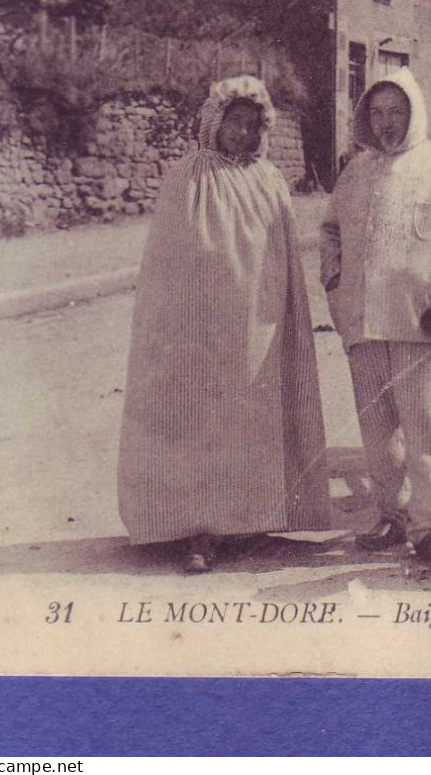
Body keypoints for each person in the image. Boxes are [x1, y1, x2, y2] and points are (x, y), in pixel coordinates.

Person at [117, 76, 330, 574]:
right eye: (237, 122)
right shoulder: (189, 176)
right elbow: (168, 262)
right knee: (198, 416)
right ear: (216, 122)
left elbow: (284, 258)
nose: (245, 133)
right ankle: (197, 528)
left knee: (253, 414)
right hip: (200, 326)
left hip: (259, 323)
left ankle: (249, 518)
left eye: (255, 124)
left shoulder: (270, 181)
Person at [320, 69, 431, 569]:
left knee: (427, 433)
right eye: (376, 113)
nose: (385, 123)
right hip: (364, 328)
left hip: (426, 324)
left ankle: (429, 529)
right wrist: (335, 282)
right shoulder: (356, 172)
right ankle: (389, 515)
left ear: (414, 112)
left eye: (395, 112)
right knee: (378, 436)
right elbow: (330, 231)